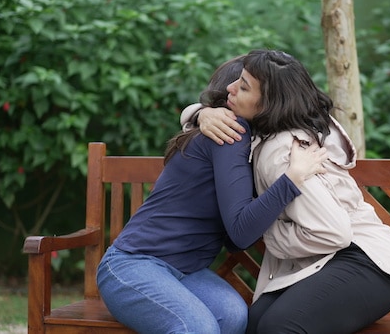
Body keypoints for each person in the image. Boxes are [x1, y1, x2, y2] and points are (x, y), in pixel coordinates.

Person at [182, 49, 390, 334]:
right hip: (327, 261)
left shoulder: (283, 150)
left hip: (366, 263)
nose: (230, 89)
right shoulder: (264, 135)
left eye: (242, 86)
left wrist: (270, 234)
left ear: (268, 103)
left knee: (279, 328)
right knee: (255, 325)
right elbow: (209, 113)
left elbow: (334, 232)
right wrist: (201, 112)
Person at [96, 55, 328, 334]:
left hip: (186, 272)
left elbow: (232, 238)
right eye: (235, 84)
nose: (233, 89)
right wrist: (292, 179)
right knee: (198, 328)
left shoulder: (245, 142)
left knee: (233, 316)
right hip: (132, 265)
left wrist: (198, 112)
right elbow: (241, 234)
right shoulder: (230, 135)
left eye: (243, 86)